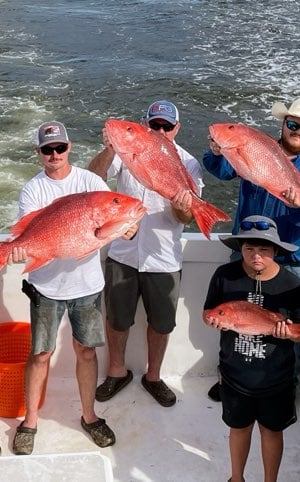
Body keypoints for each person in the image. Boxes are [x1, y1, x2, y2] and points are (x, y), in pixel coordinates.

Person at [11, 121, 134, 455]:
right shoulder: (32, 189)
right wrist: (21, 249)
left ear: (70, 147)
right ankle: (30, 420)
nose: (54, 155)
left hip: (87, 287)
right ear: (38, 152)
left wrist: (126, 229)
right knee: (40, 354)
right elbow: (31, 234)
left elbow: (111, 223)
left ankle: (89, 415)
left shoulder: (90, 181)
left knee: (86, 351)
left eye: (60, 148)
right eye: (47, 150)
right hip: (45, 288)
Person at [203, 96, 300, 400]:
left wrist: (297, 206)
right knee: (233, 316)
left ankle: (286, 382)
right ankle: (229, 376)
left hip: (290, 258)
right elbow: (222, 171)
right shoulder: (255, 146)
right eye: (293, 124)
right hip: (246, 250)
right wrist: (216, 151)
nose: (299, 132)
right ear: (283, 123)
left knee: (287, 326)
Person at [88, 100, 200, 407]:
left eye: (167, 127)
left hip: (164, 257)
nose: (160, 131)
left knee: (161, 323)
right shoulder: (127, 152)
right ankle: (116, 371)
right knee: (117, 319)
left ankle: (154, 376)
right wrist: (111, 148)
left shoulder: (188, 164)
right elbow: (92, 180)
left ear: (177, 128)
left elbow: (185, 219)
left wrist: (182, 207)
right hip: (123, 253)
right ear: (144, 124)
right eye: (155, 125)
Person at [203, 215, 300, 482]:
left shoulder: (292, 284)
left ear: (275, 251)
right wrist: (214, 321)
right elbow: (208, 313)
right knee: (238, 429)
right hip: (234, 375)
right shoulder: (224, 276)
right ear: (240, 248)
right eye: (249, 248)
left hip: (277, 378)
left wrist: (288, 334)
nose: (256, 256)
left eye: (264, 249)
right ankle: (236, 478)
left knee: (272, 432)